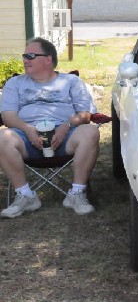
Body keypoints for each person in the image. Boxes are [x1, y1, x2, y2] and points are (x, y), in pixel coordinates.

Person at [0, 37, 100, 218]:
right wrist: (27, 129)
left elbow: (85, 114)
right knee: (2, 138)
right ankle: (25, 195)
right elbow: (8, 115)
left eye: (30, 55)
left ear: (48, 59)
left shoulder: (71, 82)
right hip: (25, 137)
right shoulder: (15, 83)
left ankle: (76, 193)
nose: (25, 60)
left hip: (66, 135)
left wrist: (66, 125)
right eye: (24, 56)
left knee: (91, 131)